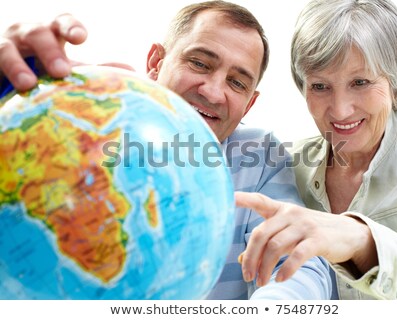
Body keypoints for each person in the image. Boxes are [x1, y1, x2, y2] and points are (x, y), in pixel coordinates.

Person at [0, 1, 332, 299]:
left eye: (237, 82)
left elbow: (301, 264)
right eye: (200, 63)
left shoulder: (260, 156)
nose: (214, 93)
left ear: (249, 104)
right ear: (156, 62)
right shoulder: (71, 123)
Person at [237, 0, 397, 299]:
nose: (340, 109)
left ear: (396, 80)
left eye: (360, 82)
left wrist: (361, 241)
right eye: (320, 86)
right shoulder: (287, 166)